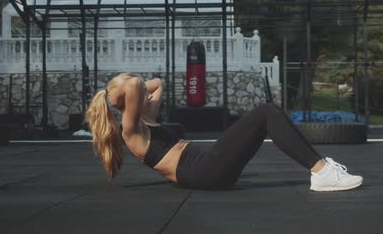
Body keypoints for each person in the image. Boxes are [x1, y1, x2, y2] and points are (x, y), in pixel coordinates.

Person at [85, 73, 363, 191]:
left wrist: (140, 92)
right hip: (203, 171)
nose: (148, 94)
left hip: (205, 166)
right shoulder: (130, 131)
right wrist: (111, 94)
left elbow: (158, 84)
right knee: (266, 112)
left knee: (265, 116)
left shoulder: (147, 117)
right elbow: (134, 83)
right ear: (126, 102)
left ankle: (322, 169)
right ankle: (322, 172)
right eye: (141, 94)